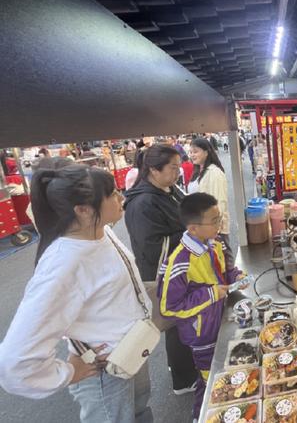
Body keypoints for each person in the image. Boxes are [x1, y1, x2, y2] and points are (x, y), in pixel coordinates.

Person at [0, 165, 153, 423]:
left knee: (140, 413)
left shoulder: (100, 232)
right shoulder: (62, 265)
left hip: (132, 353)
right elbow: (14, 362)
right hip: (105, 372)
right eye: (113, 194)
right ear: (83, 210)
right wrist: (69, 372)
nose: (121, 198)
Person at [159, 193, 246, 420]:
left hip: (217, 321)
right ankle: (202, 415)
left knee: (214, 374)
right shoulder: (179, 262)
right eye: (215, 221)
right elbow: (169, 307)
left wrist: (236, 275)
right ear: (193, 228)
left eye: (220, 218)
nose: (220, 224)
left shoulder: (213, 244)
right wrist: (211, 293)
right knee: (212, 381)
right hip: (201, 333)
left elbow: (223, 272)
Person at [123, 145, 199, 396]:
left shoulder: (166, 189)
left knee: (182, 321)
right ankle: (184, 380)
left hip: (181, 269)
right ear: (154, 170)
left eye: (179, 166)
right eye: (173, 167)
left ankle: (181, 367)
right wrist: (192, 233)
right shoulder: (143, 202)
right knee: (176, 325)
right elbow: (154, 247)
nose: (178, 172)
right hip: (165, 274)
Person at [188, 138, 241, 278]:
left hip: (214, 229)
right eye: (191, 152)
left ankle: (231, 290)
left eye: (196, 151)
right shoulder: (198, 171)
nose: (192, 155)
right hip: (202, 228)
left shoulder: (214, 172)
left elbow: (220, 203)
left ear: (206, 152)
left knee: (224, 262)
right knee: (213, 265)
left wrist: (214, 228)